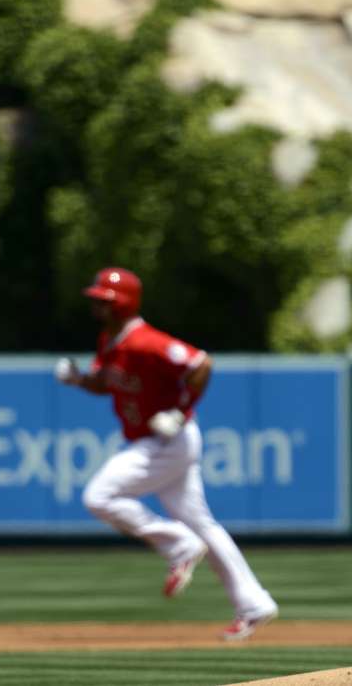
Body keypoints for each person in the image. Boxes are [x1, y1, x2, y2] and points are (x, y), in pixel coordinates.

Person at [55, 267, 279, 641]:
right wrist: (77, 378)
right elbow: (104, 383)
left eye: (103, 300)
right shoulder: (110, 339)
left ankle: (178, 545)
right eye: (95, 299)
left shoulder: (147, 341)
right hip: (157, 442)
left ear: (123, 303)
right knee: (203, 523)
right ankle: (254, 603)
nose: (95, 305)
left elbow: (200, 364)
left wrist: (180, 410)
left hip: (166, 441)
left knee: (99, 496)